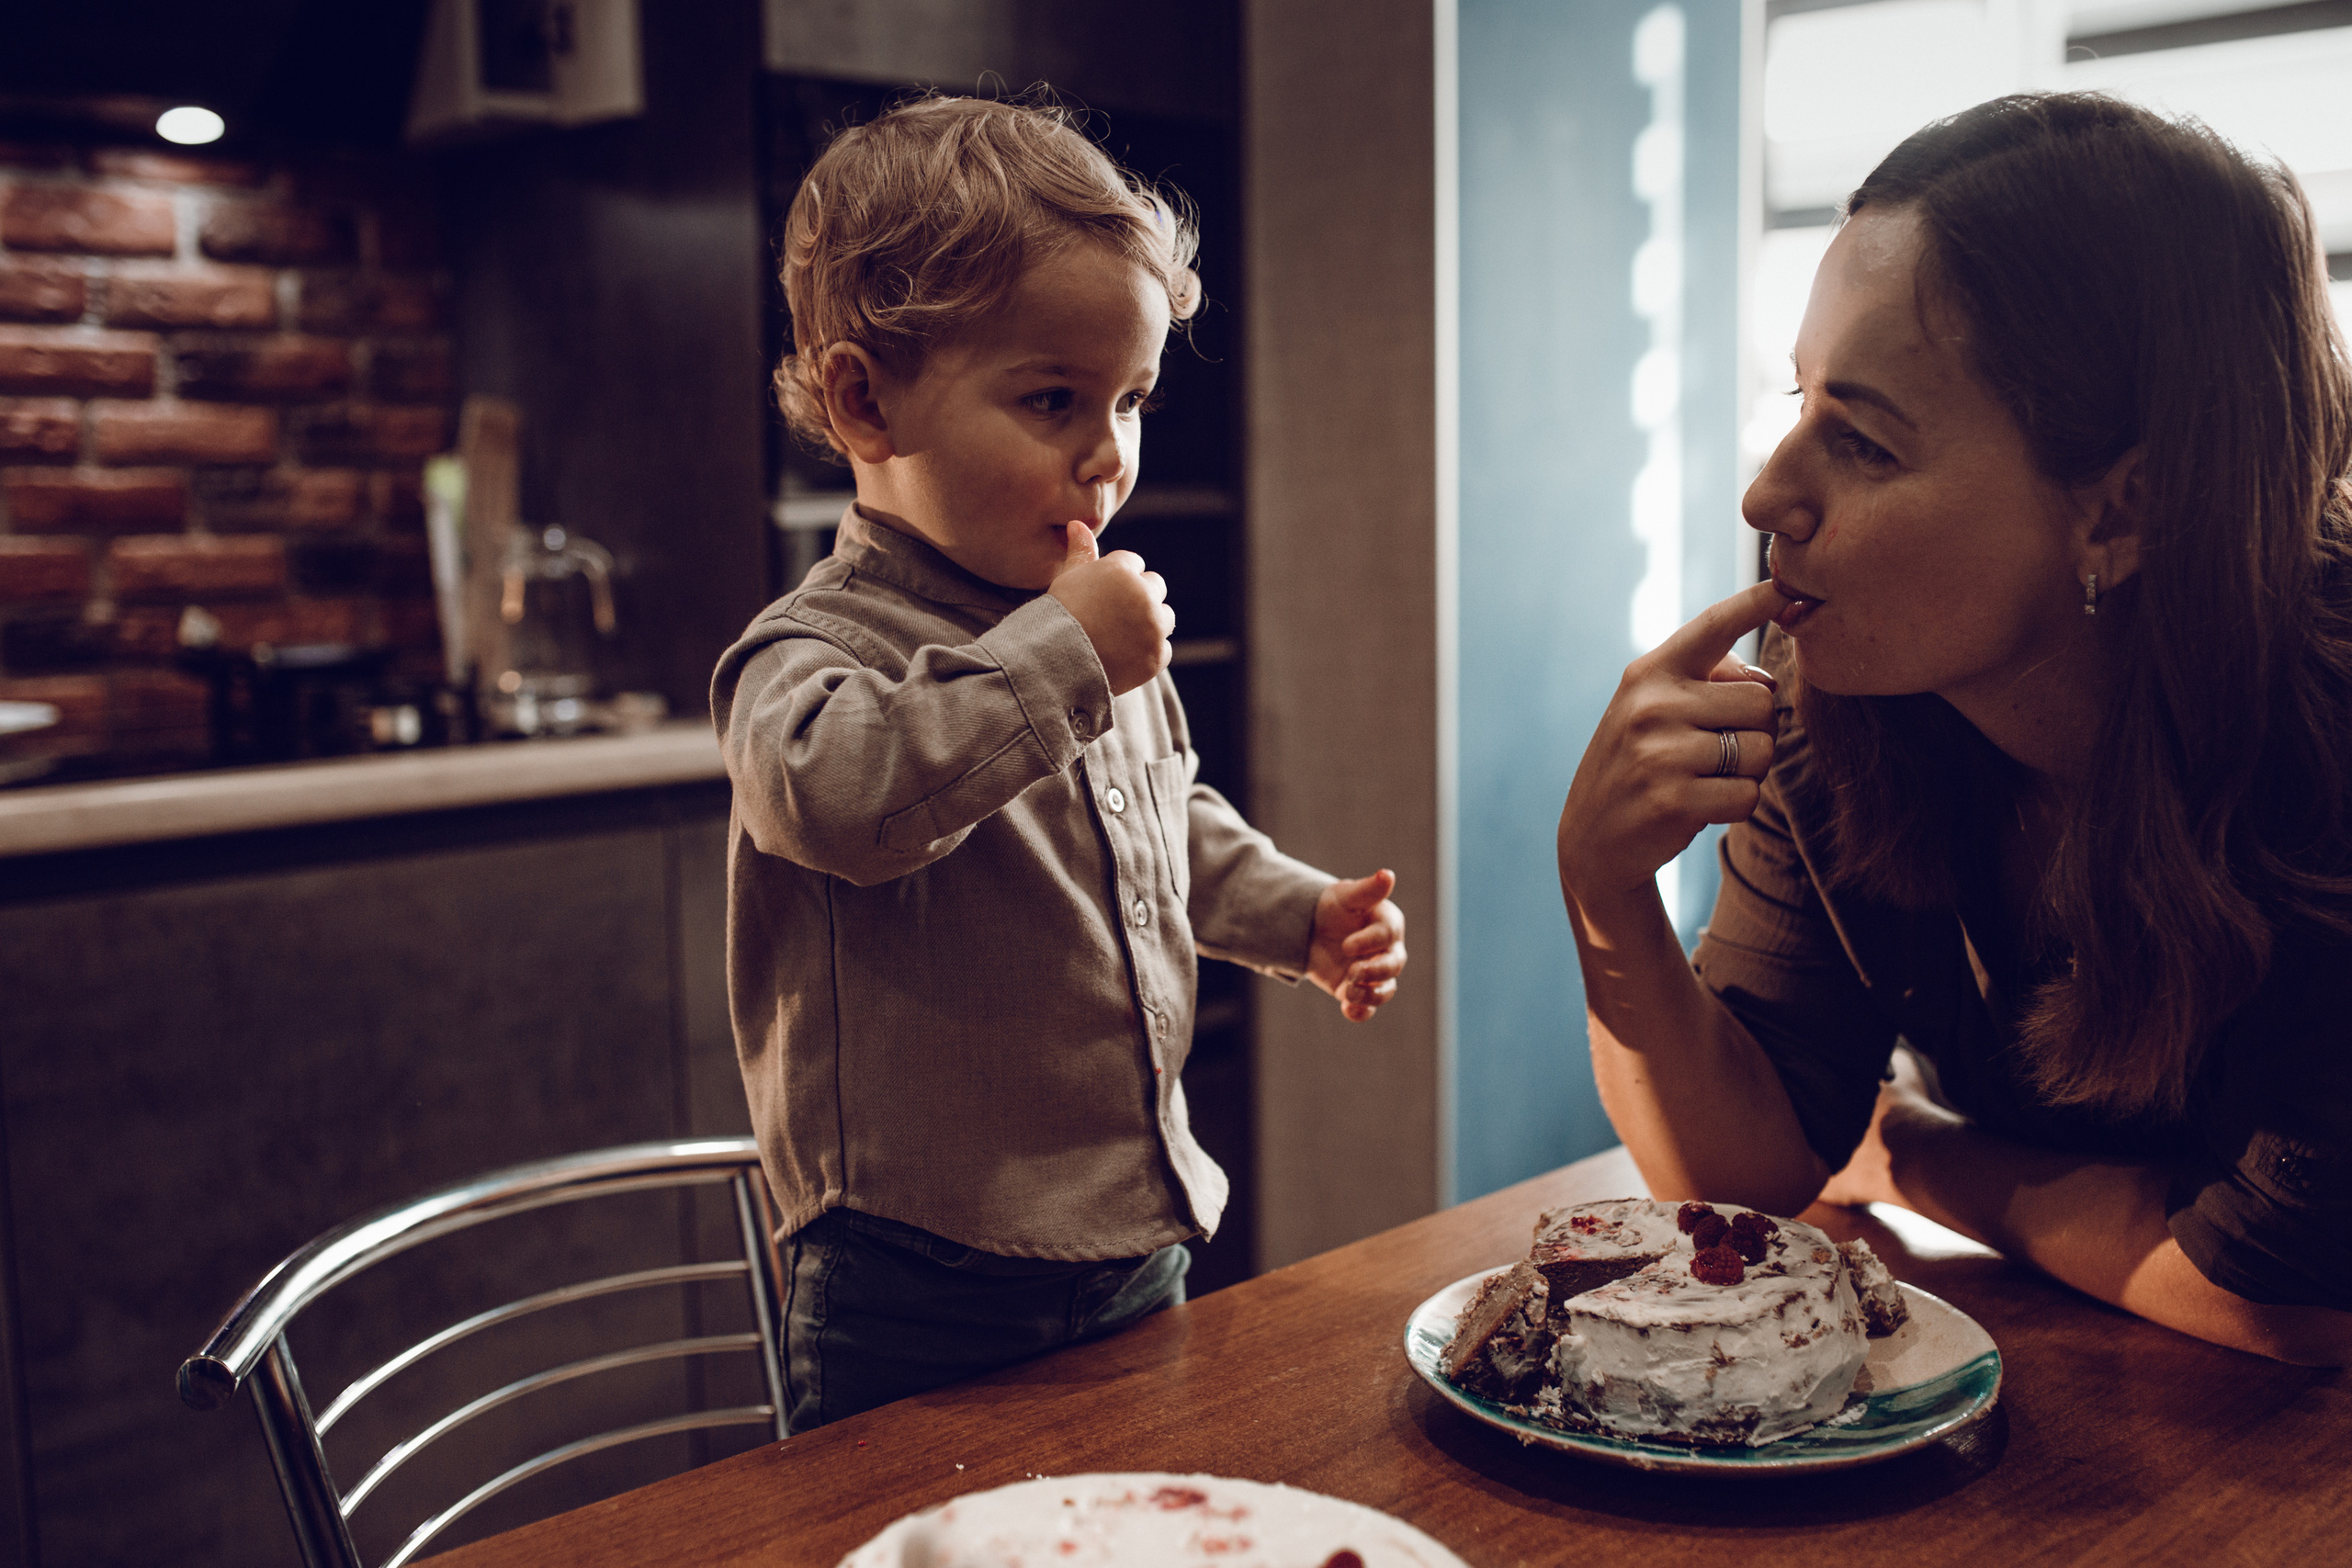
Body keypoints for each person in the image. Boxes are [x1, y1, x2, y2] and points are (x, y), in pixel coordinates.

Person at [1555, 93, 2351, 1364]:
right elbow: (1744, 1169)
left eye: (1861, 439)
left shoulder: (2324, 743)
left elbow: (2286, 1295)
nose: (1768, 490)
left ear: (2121, 510)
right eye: (1798, 397)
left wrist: (1919, 1154)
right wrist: (1608, 899)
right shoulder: (1840, 697)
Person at [713, 94, 1408, 1430]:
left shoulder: (1073, 620)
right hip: (913, 1275)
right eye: (1052, 400)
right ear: (867, 399)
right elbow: (845, 799)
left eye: (1132, 398)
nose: (1110, 456)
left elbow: (1157, 822)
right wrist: (1064, 659)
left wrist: (1297, 915)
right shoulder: (807, 656)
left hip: (1132, 1235)